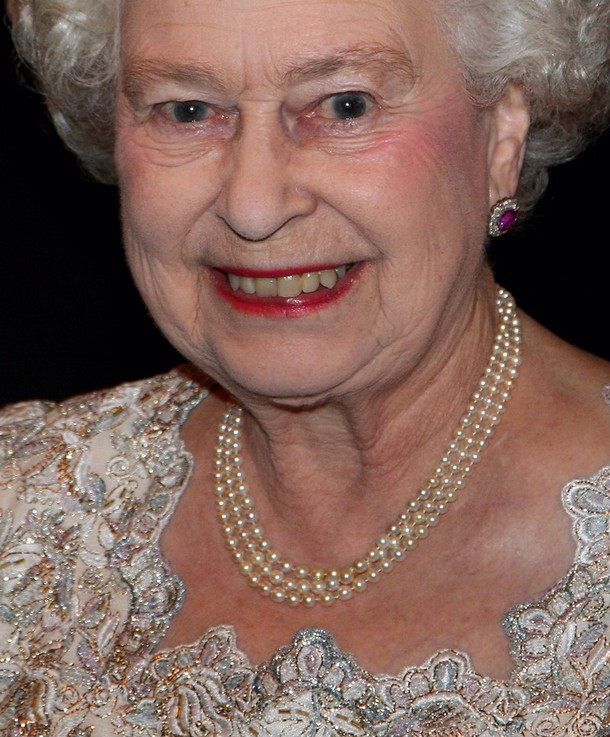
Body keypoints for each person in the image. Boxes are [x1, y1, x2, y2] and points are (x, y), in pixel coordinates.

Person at [1, 0, 610, 733]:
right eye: (188, 110)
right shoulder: (22, 500)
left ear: (502, 132)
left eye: (344, 105)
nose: (254, 206)